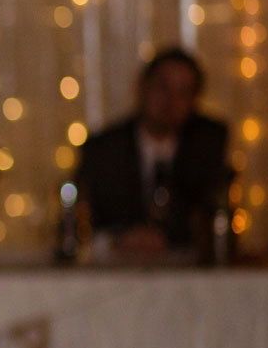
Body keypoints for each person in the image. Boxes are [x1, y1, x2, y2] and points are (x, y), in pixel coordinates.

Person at [75, 47, 230, 263]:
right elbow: (80, 225)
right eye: (162, 87)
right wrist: (117, 240)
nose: (170, 100)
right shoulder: (103, 149)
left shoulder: (207, 144)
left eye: (183, 92)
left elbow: (214, 219)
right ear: (141, 86)